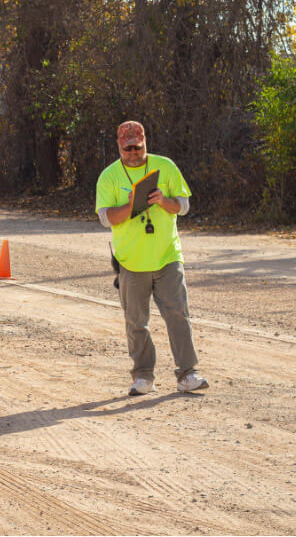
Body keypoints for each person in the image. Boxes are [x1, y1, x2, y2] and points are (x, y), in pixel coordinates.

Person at [95, 120, 208, 395]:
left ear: (145, 142)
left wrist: (162, 201)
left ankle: (187, 373)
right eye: (127, 148)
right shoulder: (109, 176)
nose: (133, 152)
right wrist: (133, 204)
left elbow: (183, 206)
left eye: (137, 146)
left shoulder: (165, 166)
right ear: (119, 146)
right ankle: (143, 376)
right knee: (136, 322)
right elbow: (105, 218)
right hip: (131, 261)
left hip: (167, 256)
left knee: (178, 315)